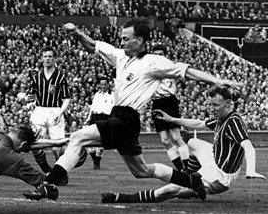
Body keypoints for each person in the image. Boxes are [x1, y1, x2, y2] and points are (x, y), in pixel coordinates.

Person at [23, 19, 241, 201]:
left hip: (127, 119)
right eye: (121, 38)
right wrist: (78, 33)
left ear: (140, 41)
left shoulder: (154, 62)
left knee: (79, 137)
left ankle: (49, 184)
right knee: (142, 171)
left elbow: (189, 72)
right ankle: (190, 180)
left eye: (126, 38)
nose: (122, 41)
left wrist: (218, 79)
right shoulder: (119, 55)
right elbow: (93, 46)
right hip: (120, 118)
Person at [102, 86, 265, 203]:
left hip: (220, 176)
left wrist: (251, 170)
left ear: (229, 103)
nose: (212, 108)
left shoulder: (233, 122)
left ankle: (123, 198)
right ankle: (190, 178)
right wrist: (172, 120)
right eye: (210, 104)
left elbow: (248, 146)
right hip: (213, 159)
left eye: (216, 105)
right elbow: (199, 124)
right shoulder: (222, 118)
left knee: (171, 190)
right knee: (193, 142)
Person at [22, 47, 71, 177]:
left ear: (54, 59)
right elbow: (29, 96)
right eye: (45, 56)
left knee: (57, 148)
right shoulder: (36, 75)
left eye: (50, 56)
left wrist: (60, 113)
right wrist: (25, 98)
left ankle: (61, 173)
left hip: (55, 111)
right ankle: (47, 170)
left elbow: (66, 98)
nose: (47, 59)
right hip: (39, 111)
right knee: (35, 145)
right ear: (42, 58)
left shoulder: (60, 76)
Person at [150, 45, 190, 172]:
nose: (159, 56)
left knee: (177, 137)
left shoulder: (172, 67)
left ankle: (189, 168)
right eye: (156, 54)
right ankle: (180, 169)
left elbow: (185, 73)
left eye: (161, 54)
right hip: (156, 103)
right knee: (165, 140)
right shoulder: (149, 69)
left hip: (169, 101)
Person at [84, 77, 116, 170]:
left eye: (105, 84)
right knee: (90, 145)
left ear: (108, 85)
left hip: (105, 118)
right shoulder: (97, 94)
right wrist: (88, 118)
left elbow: (114, 109)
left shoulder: (113, 95)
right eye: (101, 84)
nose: (103, 86)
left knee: (102, 146)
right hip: (94, 118)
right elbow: (92, 108)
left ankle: (97, 162)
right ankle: (96, 163)